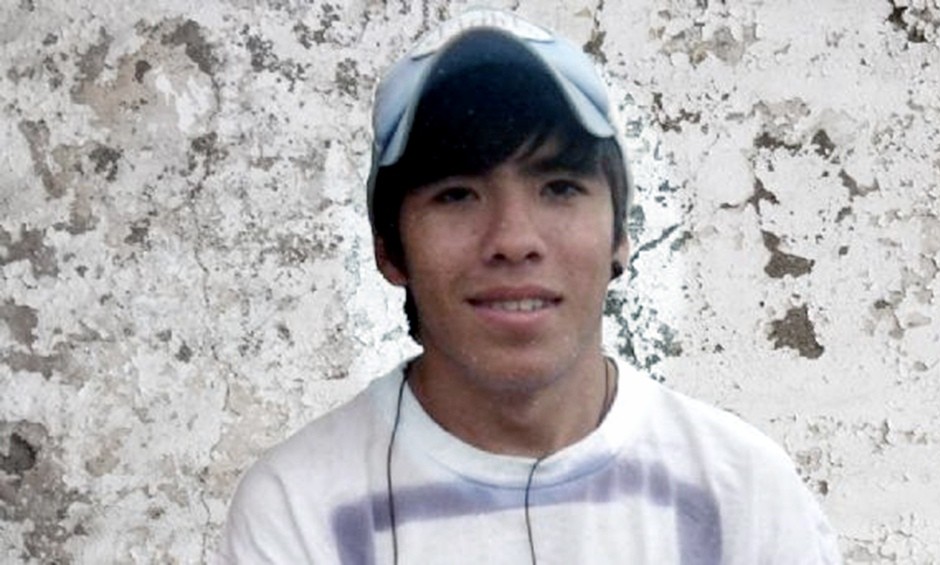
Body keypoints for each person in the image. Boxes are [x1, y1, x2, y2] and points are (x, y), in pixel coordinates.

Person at [219, 9, 841, 564]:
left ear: (621, 236)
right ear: (389, 250)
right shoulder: (304, 511)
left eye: (559, 187)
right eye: (456, 194)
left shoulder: (741, 494)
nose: (514, 239)